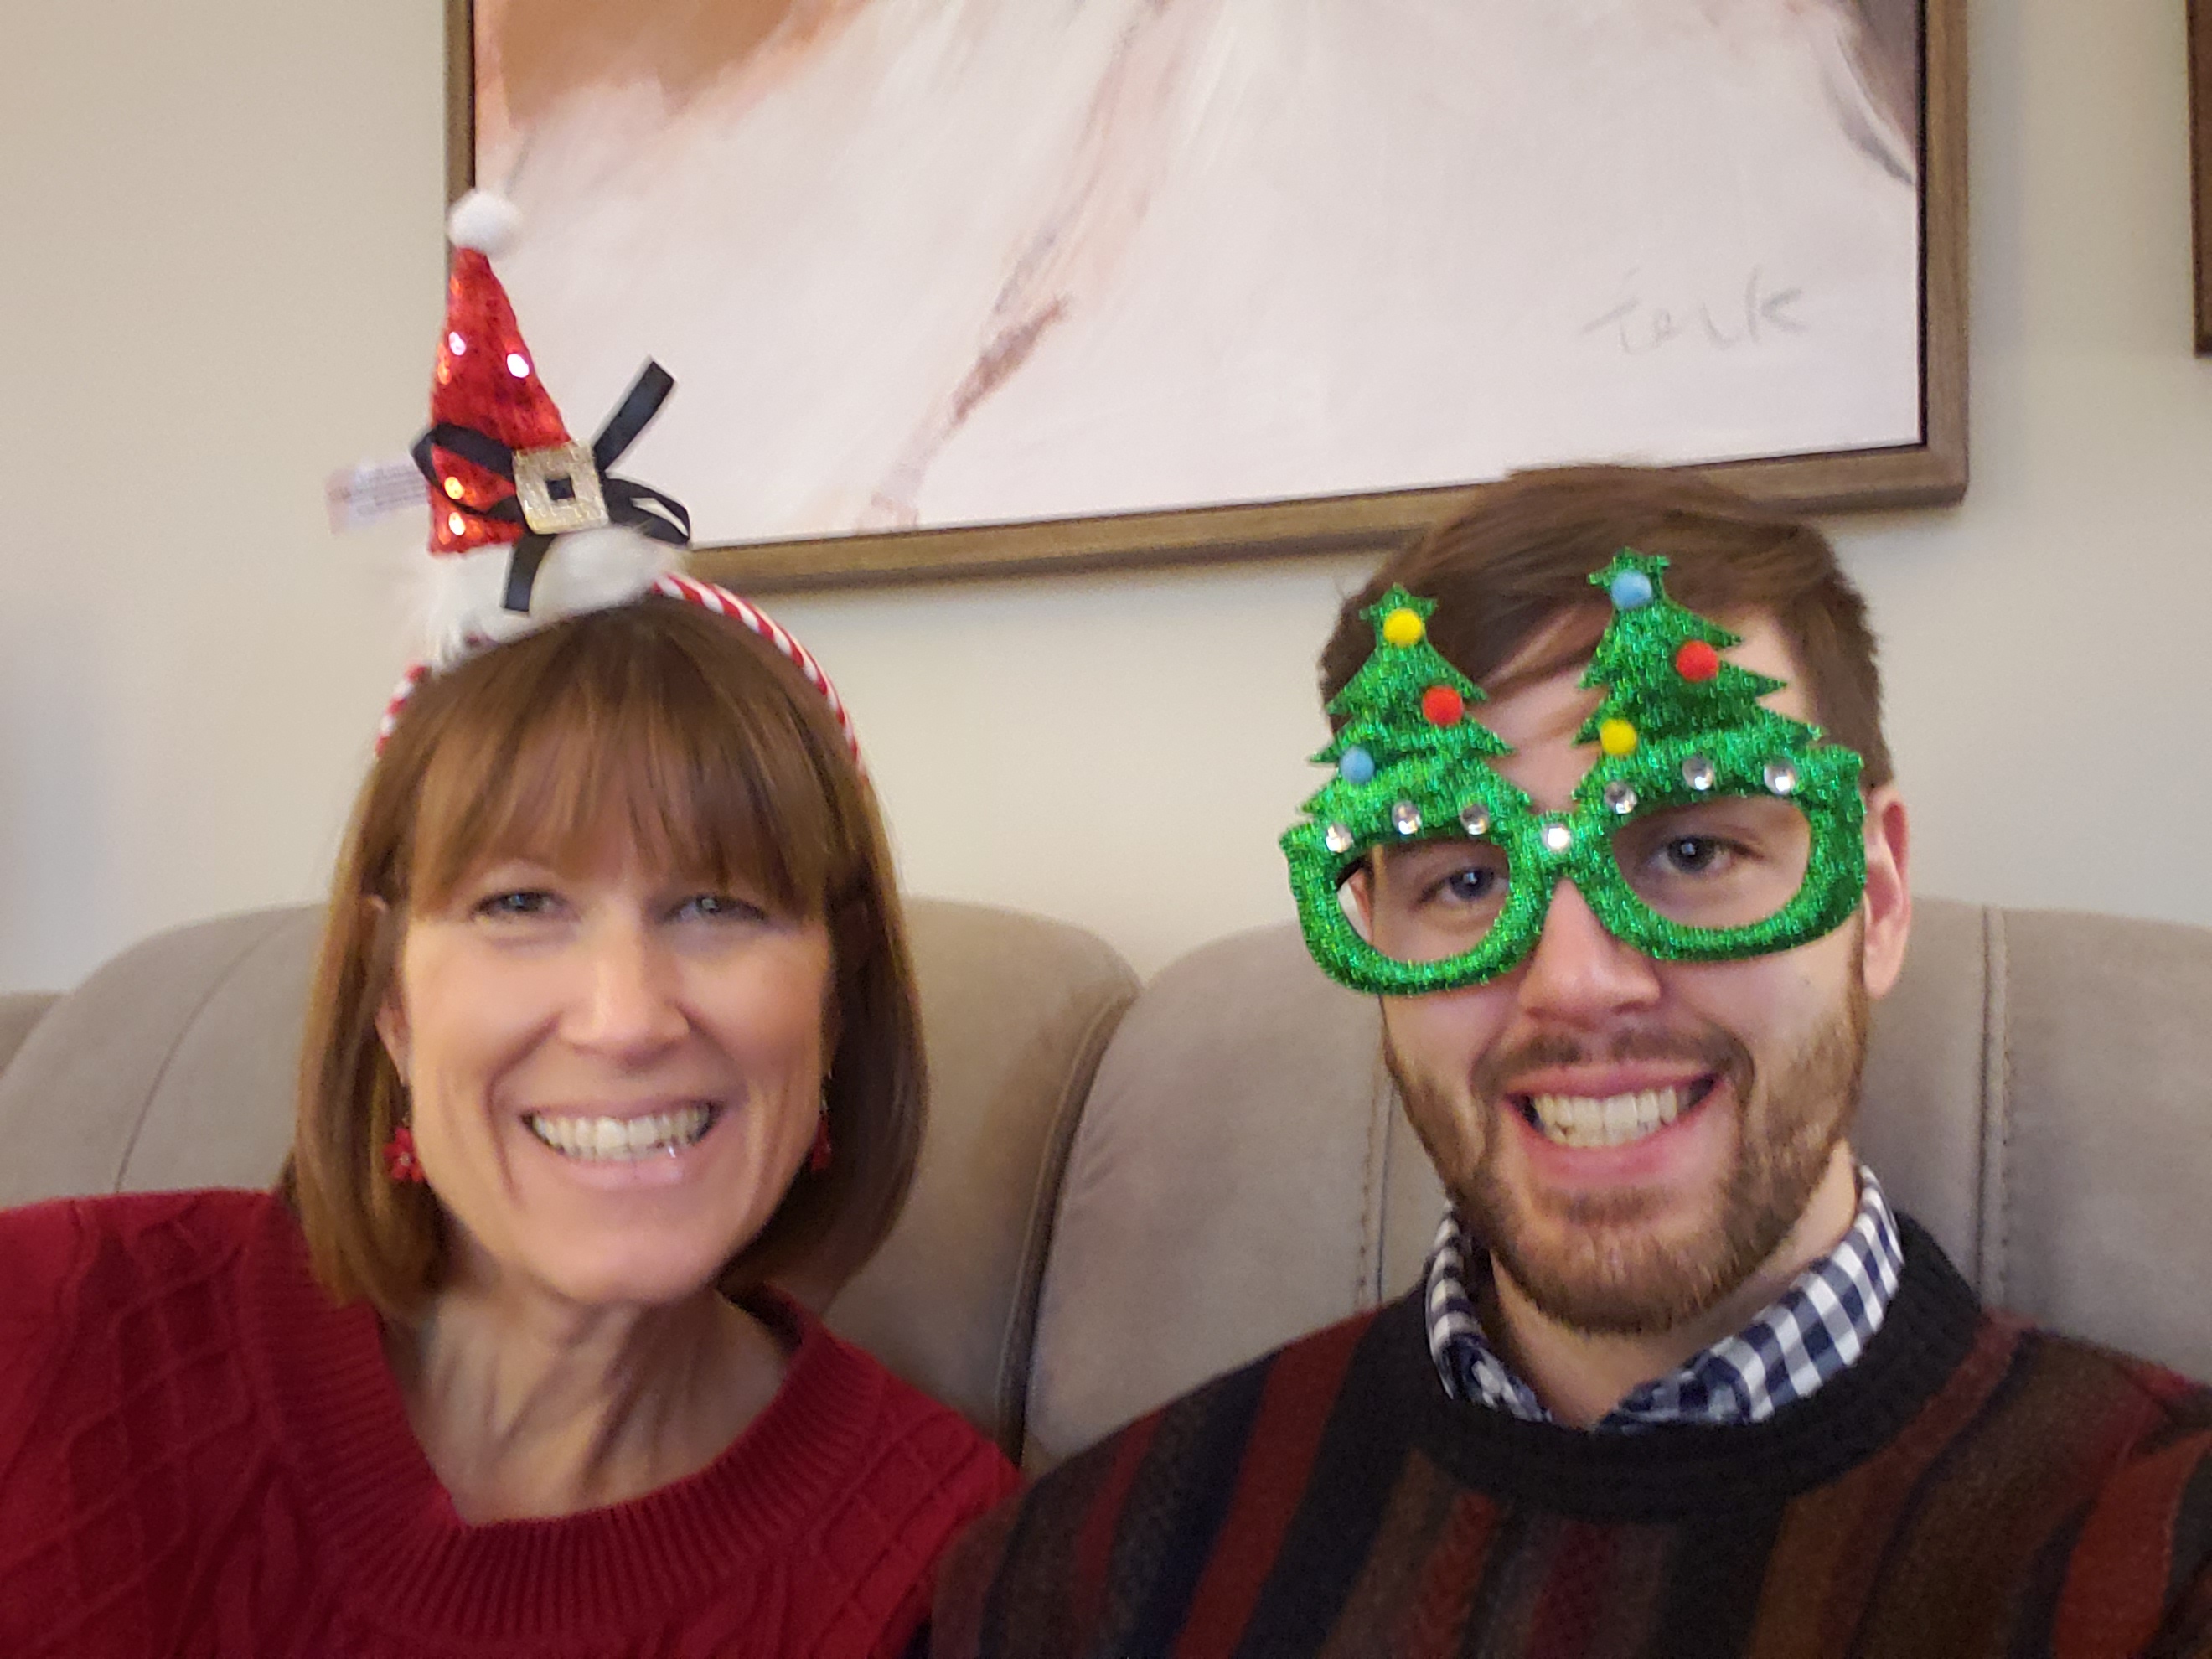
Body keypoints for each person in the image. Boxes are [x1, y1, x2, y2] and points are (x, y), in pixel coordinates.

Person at [935, 466, 2212, 1656]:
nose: (1576, 983)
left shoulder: (2160, 1553)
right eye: (1465, 879)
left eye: (1693, 851)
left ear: (1872, 900)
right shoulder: (1086, 1573)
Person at [0, 194, 1014, 1657]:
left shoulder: (950, 1568)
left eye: (716, 904)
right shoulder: (53, 1327)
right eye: (521, 903)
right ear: (390, 1002)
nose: (625, 1015)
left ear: (838, 997)